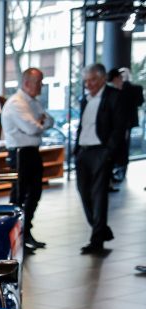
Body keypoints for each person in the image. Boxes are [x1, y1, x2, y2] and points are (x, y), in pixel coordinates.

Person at [1, 67, 53, 251]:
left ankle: (26, 232)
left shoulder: (34, 103)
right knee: (20, 195)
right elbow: (33, 128)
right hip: (20, 153)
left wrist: (40, 122)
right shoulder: (16, 103)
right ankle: (14, 236)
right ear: (27, 83)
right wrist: (40, 122)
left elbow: (49, 121)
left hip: (32, 151)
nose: (41, 86)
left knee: (35, 193)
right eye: (39, 82)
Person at [75, 63, 124, 255]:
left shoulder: (114, 96)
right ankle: (101, 230)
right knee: (84, 192)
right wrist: (77, 150)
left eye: (93, 80)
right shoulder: (84, 99)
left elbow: (119, 128)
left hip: (101, 151)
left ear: (103, 79)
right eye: (86, 81)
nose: (89, 84)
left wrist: (108, 151)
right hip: (83, 152)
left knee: (98, 196)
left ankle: (96, 239)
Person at [107, 67, 145, 187]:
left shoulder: (132, 89)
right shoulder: (112, 91)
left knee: (123, 147)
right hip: (113, 125)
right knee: (116, 147)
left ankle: (120, 170)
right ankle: (113, 173)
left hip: (125, 124)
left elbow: (138, 102)